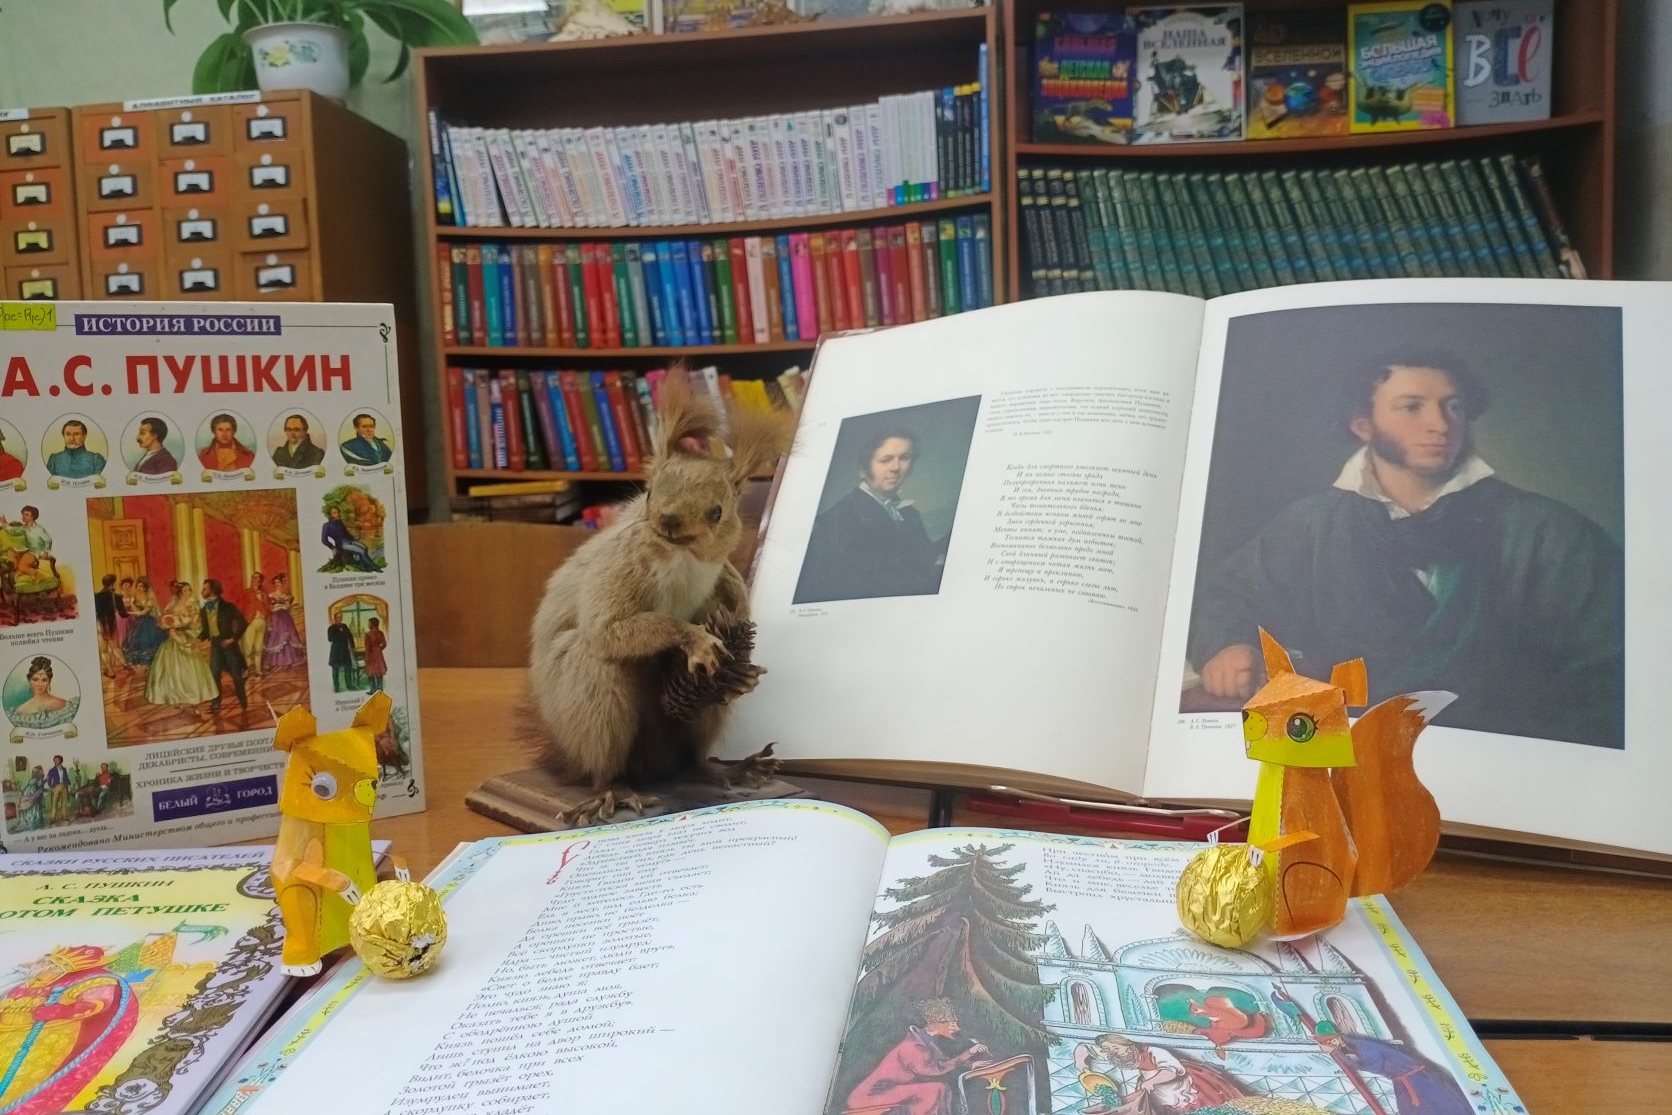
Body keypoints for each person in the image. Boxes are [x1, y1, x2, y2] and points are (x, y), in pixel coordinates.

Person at [1185, 352, 1626, 748]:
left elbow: (1610, 668)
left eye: (1453, 406)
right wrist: (1226, 645)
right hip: (1344, 752)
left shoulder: (1547, 531)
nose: (1441, 425)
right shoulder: (1311, 525)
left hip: (1500, 758)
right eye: (1412, 407)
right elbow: (1229, 596)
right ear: (1363, 425)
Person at [794, 428, 947, 604]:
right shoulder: (838, 521)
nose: (896, 468)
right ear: (863, 470)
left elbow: (918, 557)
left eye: (905, 458)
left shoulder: (908, 513)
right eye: (885, 460)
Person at [845, 998, 993, 1115]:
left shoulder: (925, 1043)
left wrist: (970, 1065)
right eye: (952, 1024)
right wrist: (969, 1053)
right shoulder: (910, 1046)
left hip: (892, 1090)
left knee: (941, 1088)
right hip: (869, 1096)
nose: (957, 1028)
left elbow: (941, 1061)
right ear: (936, 1024)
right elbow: (934, 1069)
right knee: (934, 1090)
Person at [1309, 1023, 1471, 1114]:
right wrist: (1338, 1052)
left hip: (1420, 1080)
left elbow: (1374, 1065)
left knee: (1438, 1108)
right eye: (1326, 1042)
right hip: (1405, 1081)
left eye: (1330, 1041)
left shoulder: (1363, 1046)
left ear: (1337, 1036)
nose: (1329, 1044)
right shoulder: (1349, 1046)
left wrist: (1336, 1053)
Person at [1073, 1034, 1245, 1114]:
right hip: (1151, 1085)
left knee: (1195, 1106)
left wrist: (1152, 1082)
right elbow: (1083, 1048)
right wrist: (1081, 1064)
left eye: (1115, 1048)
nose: (1112, 1053)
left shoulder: (1153, 1051)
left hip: (1182, 1084)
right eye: (1108, 1050)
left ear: (1128, 1045)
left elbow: (1171, 1071)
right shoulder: (1115, 1053)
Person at [144, 582, 217, 709]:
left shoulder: (192, 605)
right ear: (180, 593)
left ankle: (191, 698)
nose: (189, 592)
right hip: (174, 641)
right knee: (173, 670)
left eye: (189, 590)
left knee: (191, 670)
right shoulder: (173, 606)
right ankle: (177, 697)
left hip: (186, 638)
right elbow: (164, 621)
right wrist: (171, 629)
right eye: (185, 590)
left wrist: (189, 627)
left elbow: (196, 624)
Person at [198, 579, 248, 714]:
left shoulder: (228, 607)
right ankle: (216, 704)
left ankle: (243, 702)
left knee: (236, 676)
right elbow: (205, 631)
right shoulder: (204, 610)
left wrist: (232, 639)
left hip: (229, 647)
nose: (202, 591)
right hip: (215, 646)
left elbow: (243, 623)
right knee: (214, 675)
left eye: (205, 589)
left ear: (213, 590)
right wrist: (196, 640)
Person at [262, 574, 306, 669]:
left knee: (288, 636)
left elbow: (288, 608)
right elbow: (270, 609)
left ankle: (288, 660)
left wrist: (284, 605)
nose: (277, 584)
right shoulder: (271, 595)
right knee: (276, 636)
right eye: (275, 583)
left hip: (285, 617)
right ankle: (275, 662)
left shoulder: (287, 596)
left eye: (278, 582)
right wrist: (277, 607)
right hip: (276, 617)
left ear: (282, 583)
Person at [321, 506, 379, 572]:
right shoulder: (326, 525)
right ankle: (374, 567)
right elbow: (324, 540)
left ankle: (363, 565)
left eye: (338, 512)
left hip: (349, 540)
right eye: (334, 513)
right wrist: (332, 547)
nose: (337, 514)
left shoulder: (339, 522)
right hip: (342, 544)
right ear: (330, 514)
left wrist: (353, 539)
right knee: (362, 551)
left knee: (365, 548)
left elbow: (345, 533)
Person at [94, 575, 129, 677]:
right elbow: (123, 614)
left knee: (104, 650)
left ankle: (111, 672)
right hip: (111, 623)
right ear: (112, 584)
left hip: (99, 624)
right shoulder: (116, 597)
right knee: (116, 647)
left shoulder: (95, 596)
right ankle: (125, 664)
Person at [239, 571, 269, 679]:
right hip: (250, 622)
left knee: (259, 648)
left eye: (258, 578)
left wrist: (266, 615)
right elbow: (241, 607)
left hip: (261, 622)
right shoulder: (246, 592)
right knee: (247, 648)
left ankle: (258, 670)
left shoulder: (264, 593)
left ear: (260, 580)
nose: (256, 580)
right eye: (254, 578)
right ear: (251, 579)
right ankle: (246, 670)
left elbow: (267, 606)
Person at [327, 618, 356, 691]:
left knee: (348, 668)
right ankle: (336, 687)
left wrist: (353, 646)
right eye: (338, 618)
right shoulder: (331, 628)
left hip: (345, 651)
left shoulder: (344, 626)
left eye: (340, 618)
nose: (339, 619)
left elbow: (350, 636)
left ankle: (349, 685)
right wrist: (340, 633)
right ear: (335, 619)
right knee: (335, 669)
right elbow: (330, 638)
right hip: (336, 651)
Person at [362, 616, 388, 693]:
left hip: (371, 655)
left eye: (369, 623)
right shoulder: (380, 633)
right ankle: (380, 689)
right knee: (379, 672)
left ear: (372, 624)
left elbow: (367, 648)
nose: (368, 625)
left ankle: (373, 690)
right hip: (379, 655)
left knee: (371, 673)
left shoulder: (368, 634)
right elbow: (384, 644)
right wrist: (378, 649)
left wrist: (366, 658)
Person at [44, 754, 71, 824]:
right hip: (56, 787)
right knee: (54, 803)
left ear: (60, 761)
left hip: (64, 786)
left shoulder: (64, 769)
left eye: (57, 760)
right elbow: (48, 780)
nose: (55, 761)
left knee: (64, 803)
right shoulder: (52, 770)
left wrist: (69, 785)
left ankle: (65, 817)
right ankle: (53, 819)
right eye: (54, 760)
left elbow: (66, 778)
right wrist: (51, 787)